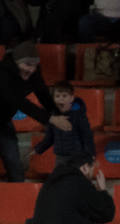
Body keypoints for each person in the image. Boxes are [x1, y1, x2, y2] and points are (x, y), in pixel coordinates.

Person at [0, 41, 68, 183]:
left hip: (3, 122)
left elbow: (42, 93)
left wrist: (57, 114)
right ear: (16, 63)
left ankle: (18, 201)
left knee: (15, 166)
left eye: (34, 65)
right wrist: (50, 119)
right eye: (27, 65)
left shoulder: (33, 72)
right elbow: (19, 102)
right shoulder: (3, 73)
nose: (31, 69)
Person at [29, 81, 95, 162]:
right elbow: (49, 138)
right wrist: (38, 149)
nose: (61, 99)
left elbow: (87, 136)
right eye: (57, 96)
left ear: (71, 98)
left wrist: (90, 155)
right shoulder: (53, 117)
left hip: (77, 156)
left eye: (64, 96)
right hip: (60, 157)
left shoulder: (79, 116)